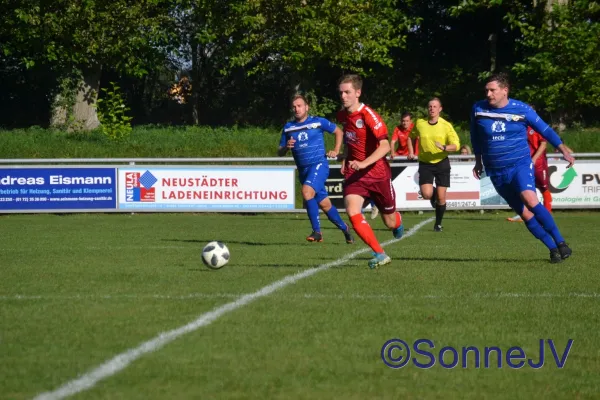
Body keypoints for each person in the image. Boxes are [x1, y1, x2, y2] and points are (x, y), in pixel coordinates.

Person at [470, 72, 574, 263]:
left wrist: (562, 148)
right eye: (486, 90)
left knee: (529, 198)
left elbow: (545, 130)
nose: (488, 94)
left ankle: (561, 242)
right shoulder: (478, 109)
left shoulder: (521, 109)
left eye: (492, 90)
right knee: (524, 213)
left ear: (504, 91)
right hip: (495, 170)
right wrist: (478, 161)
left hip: (520, 165)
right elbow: (475, 138)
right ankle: (552, 249)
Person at [336, 74, 404, 269]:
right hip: (355, 174)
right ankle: (380, 253)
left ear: (358, 93)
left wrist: (364, 163)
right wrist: (346, 158)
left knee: (390, 223)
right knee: (352, 210)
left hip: (377, 174)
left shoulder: (369, 115)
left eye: (347, 92)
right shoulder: (343, 116)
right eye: (341, 92)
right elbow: (350, 141)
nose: (343, 96)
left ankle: (398, 221)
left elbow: (384, 146)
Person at [278, 94, 354, 244]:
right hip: (304, 171)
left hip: (319, 165)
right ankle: (345, 228)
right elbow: (279, 152)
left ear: (307, 107)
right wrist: (286, 147)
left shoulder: (318, 122)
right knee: (325, 205)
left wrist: (336, 150)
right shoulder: (288, 127)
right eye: (294, 106)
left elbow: (338, 132)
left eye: (299, 106)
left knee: (306, 192)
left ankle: (317, 231)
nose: (296, 109)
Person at [409, 97, 460, 232]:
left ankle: (437, 224)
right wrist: (411, 151)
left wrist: (444, 147)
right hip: (425, 163)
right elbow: (411, 136)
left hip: (441, 162)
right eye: (430, 106)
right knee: (426, 194)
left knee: (442, 198)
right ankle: (434, 195)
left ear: (440, 109)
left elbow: (456, 145)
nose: (432, 109)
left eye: (435, 106)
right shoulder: (420, 123)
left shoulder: (446, 125)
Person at [507, 123, 552, 222]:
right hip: (524, 164)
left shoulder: (538, 127)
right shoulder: (520, 127)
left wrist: (534, 159)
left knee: (544, 188)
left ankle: (547, 215)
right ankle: (524, 214)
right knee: (524, 189)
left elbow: (543, 144)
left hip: (539, 164)